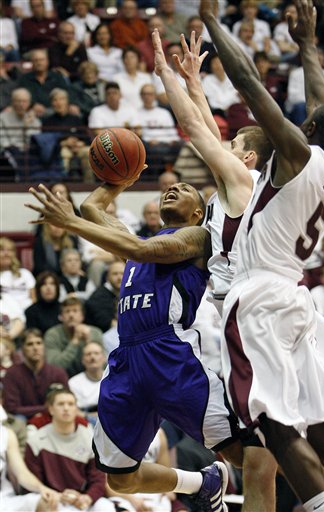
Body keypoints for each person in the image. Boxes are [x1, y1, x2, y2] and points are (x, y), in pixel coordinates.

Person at [200, 1, 324, 510]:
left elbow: (249, 86)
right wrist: (308, 46)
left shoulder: (297, 152)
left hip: (260, 295)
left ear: (307, 132)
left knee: (275, 427)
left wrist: (214, 25)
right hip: (298, 298)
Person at [25, 181, 245, 511]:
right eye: (169, 187)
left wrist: (67, 221)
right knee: (120, 477)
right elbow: (91, 209)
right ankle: (202, 482)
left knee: (243, 453)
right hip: (126, 361)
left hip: (167, 354)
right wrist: (118, 181)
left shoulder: (195, 238)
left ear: (198, 212)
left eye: (184, 189)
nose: (173, 188)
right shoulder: (137, 242)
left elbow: (136, 250)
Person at [152, 28, 277, 512]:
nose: (224, 144)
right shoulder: (238, 186)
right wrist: (195, 80)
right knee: (260, 453)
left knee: (269, 453)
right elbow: (207, 126)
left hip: (250, 319)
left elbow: (198, 129)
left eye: (235, 142)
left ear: (246, 157)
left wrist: (167, 74)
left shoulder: (242, 181)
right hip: (239, 318)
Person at [25, 387, 115, 512]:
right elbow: (34, 483)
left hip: (85, 498)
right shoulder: (36, 441)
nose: (66, 408)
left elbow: (98, 479)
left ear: (76, 409)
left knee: (106, 508)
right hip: (54, 498)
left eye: (71, 404)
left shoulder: (90, 438)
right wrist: (59, 496)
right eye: (61, 404)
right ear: (51, 409)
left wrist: (87, 498)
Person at [3, 328, 69, 420]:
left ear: (44, 347)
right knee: (19, 418)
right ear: (22, 349)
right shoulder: (12, 374)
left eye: (39, 343)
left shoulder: (58, 373)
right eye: (30, 344)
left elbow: (65, 402)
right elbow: (13, 408)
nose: (35, 348)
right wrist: (44, 408)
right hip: (25, 420)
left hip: (53, 418)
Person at [1, 425, 59, 512]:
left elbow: (22, 473)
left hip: (4, 499)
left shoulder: (6, 434)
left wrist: (41, 488)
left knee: (47, 502)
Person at [44, 296, 103, 377]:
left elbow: (103, 365)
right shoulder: (52, 334)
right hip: (62, 379)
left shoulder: (95, 333)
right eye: (67, 311)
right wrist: (74, 341)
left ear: (82, 316)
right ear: (61, 317)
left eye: (75, 311)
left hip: (92, 379)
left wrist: (88, 342)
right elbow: (54, 366)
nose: (71, 315)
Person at [68, 341, 106, 424]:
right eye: (88, 354)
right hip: (86, 421)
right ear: (82, 360)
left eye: (96, 353)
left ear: (104, 358)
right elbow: (75, 411)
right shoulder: (74, 382)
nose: (92, 357)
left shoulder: (113, 378)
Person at [85, 260, 125, 332]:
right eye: (115, 274)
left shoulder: (130, 292)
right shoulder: (98, 297)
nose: (120, 278)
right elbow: (109, 323)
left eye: (123, 274)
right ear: (107, 277)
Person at [0, 236, 36, 313]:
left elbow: (34, 299)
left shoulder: (25, 273)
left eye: (10, 250)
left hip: (28, 312)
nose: (6, 254)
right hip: (5, 315)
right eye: (2, 250)